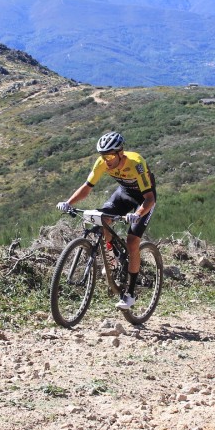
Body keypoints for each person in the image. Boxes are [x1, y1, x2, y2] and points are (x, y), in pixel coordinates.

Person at [57, 131, 156, 310]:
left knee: (132, 241)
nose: (107, 160)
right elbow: (87, 188)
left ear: (120, 153)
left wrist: (138, 214)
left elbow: (150, 199)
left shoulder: (136, 163)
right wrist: (68, 203)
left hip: (144, 199)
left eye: (110, 155)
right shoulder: (102, 162)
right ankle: (113, 261)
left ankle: (130, 294)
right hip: (123, 194)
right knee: (101, 221)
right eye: (103, 155)